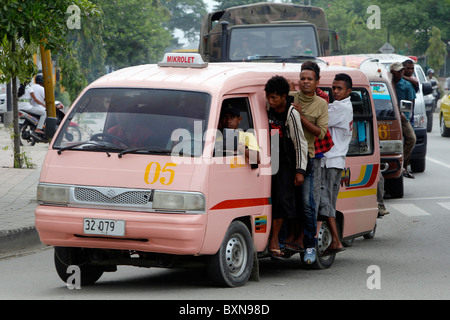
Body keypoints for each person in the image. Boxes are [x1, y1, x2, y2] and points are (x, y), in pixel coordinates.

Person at [289, 61, 329, 264]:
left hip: (308, 159)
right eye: (302, 78)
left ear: (317, 82)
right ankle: (285, 241)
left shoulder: (321, 104)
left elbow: (320, 132)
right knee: (286, 201)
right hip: (286, 157)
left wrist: (300, 115)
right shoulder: (291, 97)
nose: (305, 82)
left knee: (307, 204)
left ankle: (310, 245)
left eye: (309, 79)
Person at [264, 75, 308, 259]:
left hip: (285, 161)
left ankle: (275, 239)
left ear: (284, 96)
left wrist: (300, 170)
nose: (270, 100)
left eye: (274, 97)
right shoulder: (266, 108)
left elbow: (300, 143)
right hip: (269, 156)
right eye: (268, 97)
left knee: (283, 200)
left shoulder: (291, 113)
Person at [318, 73, 353, 255]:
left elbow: (319, 119)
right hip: (335, 161)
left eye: (339, 88)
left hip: (330, 161)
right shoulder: (341, 106)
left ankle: (336, 240)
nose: (335, 91)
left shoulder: (339, 109)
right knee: (327, 201)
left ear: (349, 91)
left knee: (325, 200)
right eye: (333, 88)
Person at [390, 62, 416, 179]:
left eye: (401, 71)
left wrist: (408, 116)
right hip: (389, 117)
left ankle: (402, 163)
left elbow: (411, 103)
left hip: (404, 118)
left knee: (411, 139)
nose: (400, 73)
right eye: (398, 71)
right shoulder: (387, 84)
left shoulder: (406, 85)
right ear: (392, 72)